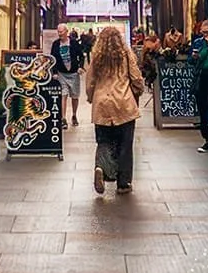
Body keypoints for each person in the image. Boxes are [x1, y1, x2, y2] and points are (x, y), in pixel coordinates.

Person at [84, 25, 146, 195]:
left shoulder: (96, 57)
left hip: (102, 104)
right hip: (123, 103)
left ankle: (101, 169)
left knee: (104, 141)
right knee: (125, 144)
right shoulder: (126, 54)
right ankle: (123, 183)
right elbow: (136, 77)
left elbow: (90, 81)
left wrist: (91, 97)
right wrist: (138, 91)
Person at [191, 18, 208, 152]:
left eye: (207, 32)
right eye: (203, 32)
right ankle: (207, 139)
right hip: (201, 77)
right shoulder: (197, 42)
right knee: (203, 108)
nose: (205, 35)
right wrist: (194, 57)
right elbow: (191, 61)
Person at [50, 24, 84, 126]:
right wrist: (54, 72)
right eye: (58, 32)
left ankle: (74, 115)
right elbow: (53, 59)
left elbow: (81, 56)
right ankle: (63, 118)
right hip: (61, 74)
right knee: (63, 95)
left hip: (73, 73)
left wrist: (80, 67)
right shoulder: (56, 44)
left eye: (61, 32)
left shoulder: (74, 43)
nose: (59, 34)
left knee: (74, 96)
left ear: (66, 32)